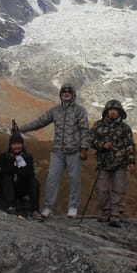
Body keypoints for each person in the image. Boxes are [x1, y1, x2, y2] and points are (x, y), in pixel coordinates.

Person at [17, 84, 89, 218]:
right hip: (57, 151)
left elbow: (85, 130)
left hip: (74, 151)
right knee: (52, 179)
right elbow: (40, 122)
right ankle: (48, 207)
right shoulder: (55, 111)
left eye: (69, 91)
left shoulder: (80, 111)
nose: (66, 93)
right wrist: (21, 129)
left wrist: (84, 149)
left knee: (75, 180)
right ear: (61, 94)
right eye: (64, 91)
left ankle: (73, 207)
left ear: (73, 94)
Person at [89, 99, 136, 227]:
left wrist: (131, 161)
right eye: (111, 110)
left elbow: (130, 145)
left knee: (118, 189)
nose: (113, 112)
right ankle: (106, 212)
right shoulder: (98, 125)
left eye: (116, 110)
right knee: (102, 189)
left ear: (120, 112)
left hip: (120, 163)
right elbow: (90, 140)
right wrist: (102, 145)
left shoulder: (125, 128)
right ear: (106, 112)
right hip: (103, 162)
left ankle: (116, 214)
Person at [0, 132, 43, 219]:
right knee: (6, 177)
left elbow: (30, 173)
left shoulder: (27, 157)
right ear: (10, 145)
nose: (17, 146)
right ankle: (10, 206)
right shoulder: (3, 157)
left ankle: (35, 210)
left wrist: (19, 170)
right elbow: (2, 172)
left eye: (19, 144)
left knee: (34, 182)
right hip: (8, 188)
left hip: (22, 186)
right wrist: (15, 167)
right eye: (14, 144)